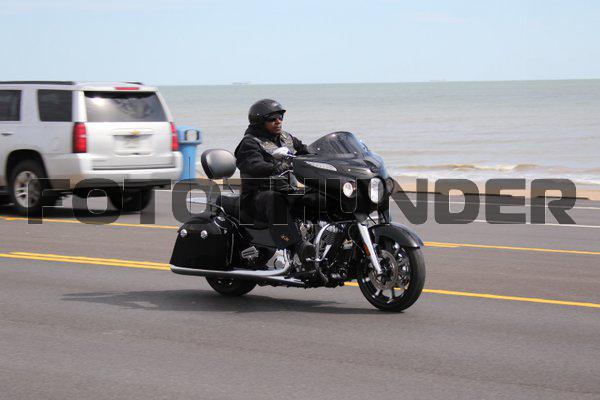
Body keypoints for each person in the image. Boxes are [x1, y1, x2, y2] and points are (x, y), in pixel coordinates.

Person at [234, 99, 315, 266]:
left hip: (287, 191)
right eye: (272, 119)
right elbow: (252, 165)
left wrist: (328, 158)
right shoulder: (249, 143)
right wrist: (276, 166)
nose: (278, 121)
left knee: (316, 196)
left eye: (280, 117)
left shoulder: (287, 138)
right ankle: (298, 247)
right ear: (259, 122)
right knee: (274, 198)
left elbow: (307, 152)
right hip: (256, 198)